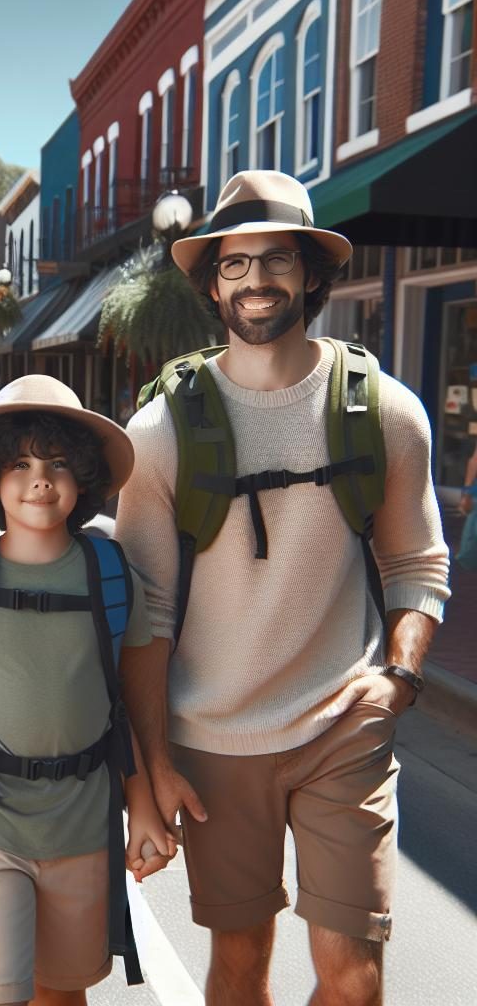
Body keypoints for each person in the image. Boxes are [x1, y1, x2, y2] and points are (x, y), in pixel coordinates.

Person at [116, 170, 451, 1006]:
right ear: (211, 283)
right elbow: (146, 613)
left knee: (353, 978)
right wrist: (151, 763)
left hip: (345, 726)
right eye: (235, 265)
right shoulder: (160, 433)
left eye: (276, 261)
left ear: (310, 274)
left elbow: (417, 562)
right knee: (240, 967)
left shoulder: (385, 412)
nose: (256, 281)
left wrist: (399, 678)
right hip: (216, 738)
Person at [0, 375, 173, 1006]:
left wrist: (142, 805)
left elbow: (128, 707)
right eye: (19, 463)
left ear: (83, 476)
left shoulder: (111, 575)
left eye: (58, 462)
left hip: (83, 824)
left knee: (61, 993)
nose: (40, 479)